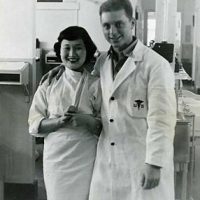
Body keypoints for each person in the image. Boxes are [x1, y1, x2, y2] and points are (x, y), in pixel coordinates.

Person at [41, 0, 177, 199]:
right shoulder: (103, 62)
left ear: (132, 23)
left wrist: (155, 163)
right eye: (106, 25)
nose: (112, 31)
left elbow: (162, 121)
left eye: (119, 24)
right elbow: (82, 71)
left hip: (141, 158)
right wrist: (60, 68)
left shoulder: (156, 65)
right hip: (107, 161)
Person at [28, 26, 102, 200]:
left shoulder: (96, 84)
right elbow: (34, 123)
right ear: (59, 50)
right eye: (67, 48)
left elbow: (106, 125)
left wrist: (87, 121)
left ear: (87, 51)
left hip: (86, 157)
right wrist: (58, 122)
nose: (72, 53)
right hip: (56, 158)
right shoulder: (49, 82)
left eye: (78, 48)